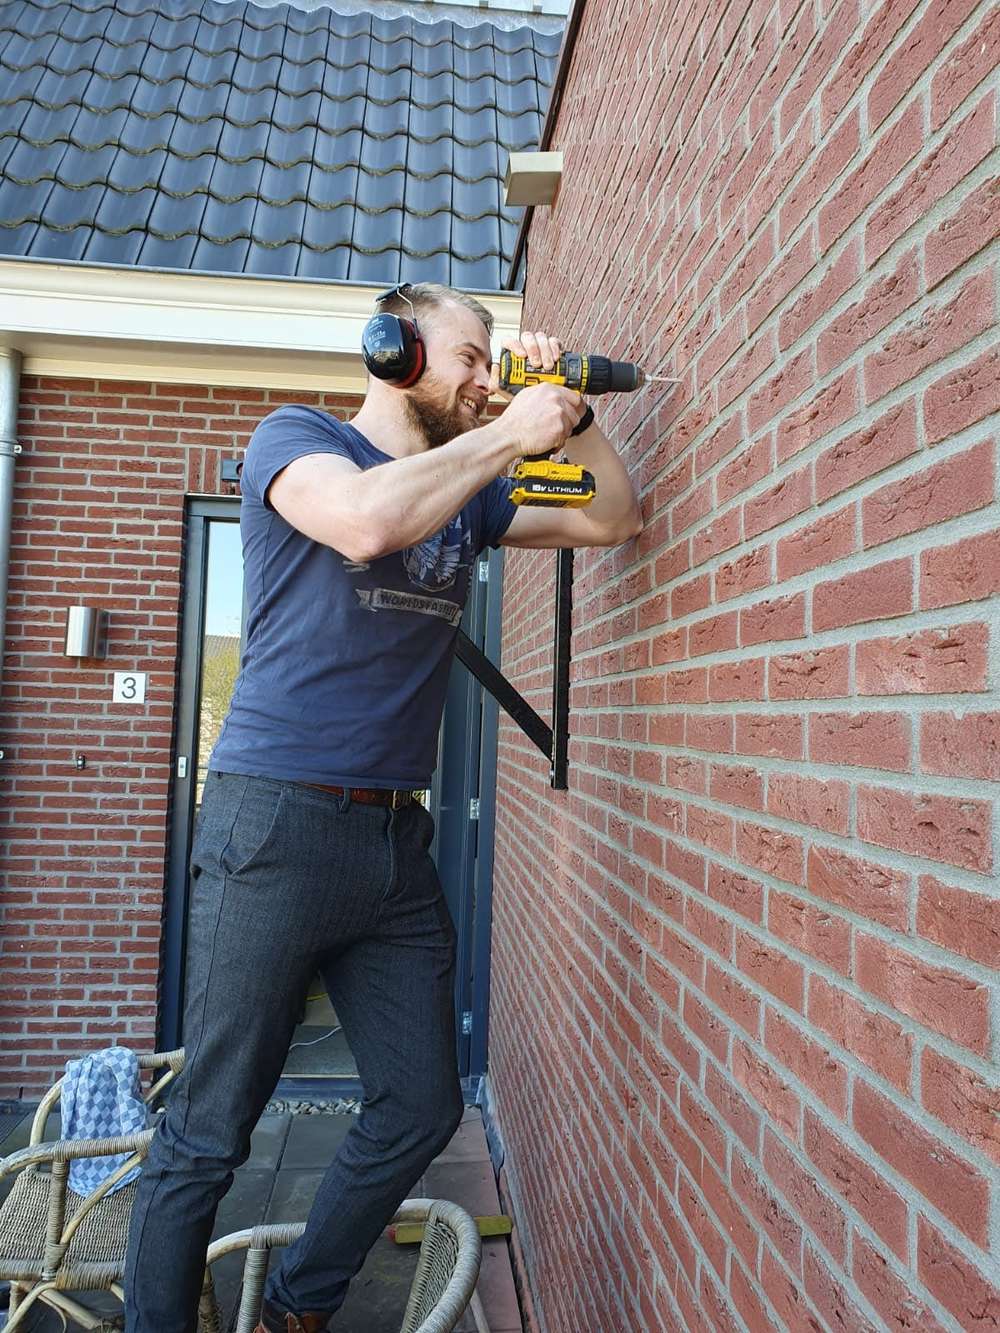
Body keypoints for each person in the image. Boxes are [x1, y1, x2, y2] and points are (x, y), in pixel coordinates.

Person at [123, 282, 642, 1333]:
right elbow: (363, 526)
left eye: (494, 360)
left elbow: (610, 515)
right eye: (467, 355)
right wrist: (509, 439)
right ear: (391, 350)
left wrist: (573, 420)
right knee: (210, 1130)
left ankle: (299, 1307)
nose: (485, 380)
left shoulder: (471, 488)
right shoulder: (299, 441)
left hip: (393, 840)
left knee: (419, 1105)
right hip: (274, 824)